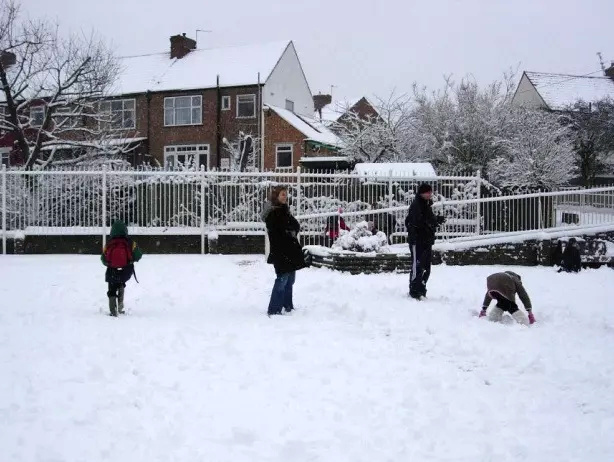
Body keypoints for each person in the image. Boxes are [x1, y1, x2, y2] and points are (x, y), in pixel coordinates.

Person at [263, 186, 307, 316]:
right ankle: (274, 309)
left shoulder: (284, 210)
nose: (285, 197)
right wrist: (288, 233)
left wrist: (290, 231)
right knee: (282, 279)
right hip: (281, 251)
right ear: (276, 196)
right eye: (282, 194)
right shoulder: (273, 213)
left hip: (290, 250)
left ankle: (287, 305)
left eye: (285, 194)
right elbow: (277, 233)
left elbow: (295, 225)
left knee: (290, 280)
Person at [405, 183, 445, 299]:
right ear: (422, 193)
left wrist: (437, 220)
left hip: (427, 240)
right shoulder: (416, 206)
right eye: (427, 192)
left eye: (430, 192)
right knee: (417, 266)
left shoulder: (426, 205)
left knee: (426, 266)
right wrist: (414, 237)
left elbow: (429, 220)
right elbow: (414, 223)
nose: (430, 194)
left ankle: (422, 288)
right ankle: (414, 290)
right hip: (417, 241)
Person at [101, 220, 143, 317]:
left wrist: (109, 263)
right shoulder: (130, 243)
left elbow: (103, 258)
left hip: (112, 269)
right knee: (121, 283)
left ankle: (112, 310)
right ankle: (120, 307)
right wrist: (131, 260)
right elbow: (138, 255)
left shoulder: (109, 243)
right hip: (126, 269)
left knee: (111, 288)